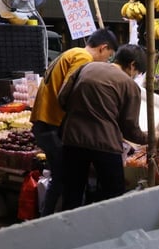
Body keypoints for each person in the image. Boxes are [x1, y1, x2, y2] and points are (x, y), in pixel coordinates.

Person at [30, 29, 119, 216]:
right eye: (108, 57)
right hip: (52, 124)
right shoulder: (83, 58)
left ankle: (49, 219)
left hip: (45, 122)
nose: (105, 62)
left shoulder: (71, 52)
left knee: (62, 177)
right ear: (103, 48)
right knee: (63, 179)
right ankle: (49, 222)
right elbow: (69, 91)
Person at [58, 44, 147, 209]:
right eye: (137, 72)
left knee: (72, 193)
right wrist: (149, 138)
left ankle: (70, 231)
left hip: (72, 140)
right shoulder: (129, 85)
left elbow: (62, 98)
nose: (135, 76)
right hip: (105, 145)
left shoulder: (86, 68)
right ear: (133, 65)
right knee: (113, 196)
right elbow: (129, 129)